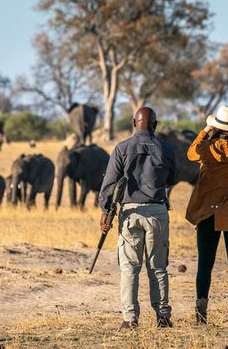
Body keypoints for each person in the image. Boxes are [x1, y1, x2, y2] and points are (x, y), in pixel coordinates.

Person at [97, 107, 177, 330]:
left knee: (130, 267)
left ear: (134, 122)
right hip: (158, 212)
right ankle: (163, 316)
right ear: (156, 124)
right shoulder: (167, 149)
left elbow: (110, 183)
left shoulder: (122, 148)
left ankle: (130, 319)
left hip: (130, 213)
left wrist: (106, 211)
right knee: (158, 267)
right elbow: (174, 177)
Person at [185, 105, 228, 324]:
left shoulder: (206, 149)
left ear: (216, 126)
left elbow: (191, 153)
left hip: (207, 212)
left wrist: (206, 130)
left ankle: (201, 311)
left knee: (205, 263)